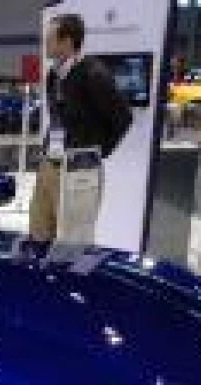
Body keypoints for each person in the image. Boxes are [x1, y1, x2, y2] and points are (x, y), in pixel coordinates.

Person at [29, 14, 132, 242]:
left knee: (73, 242)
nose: (45, 43)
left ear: (67, 42)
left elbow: (123, 117)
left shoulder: (93, 74)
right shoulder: (53, 75)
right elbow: (58, 118)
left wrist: (96, 152)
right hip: (50, 164)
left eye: (50, 38)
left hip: (79, 171)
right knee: (38, 231)